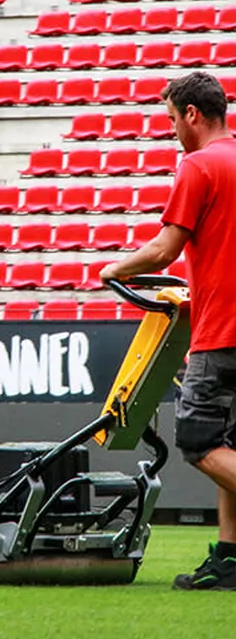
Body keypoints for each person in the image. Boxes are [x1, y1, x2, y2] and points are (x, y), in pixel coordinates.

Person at [100, 70, 236, 591]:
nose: (173, 129)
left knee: (199, 441)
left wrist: (115, 269)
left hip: (222, 332)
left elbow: (164, 250)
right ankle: (230, 559)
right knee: (230, 445)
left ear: (192, 115)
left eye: (173, 119)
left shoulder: (199, 165)